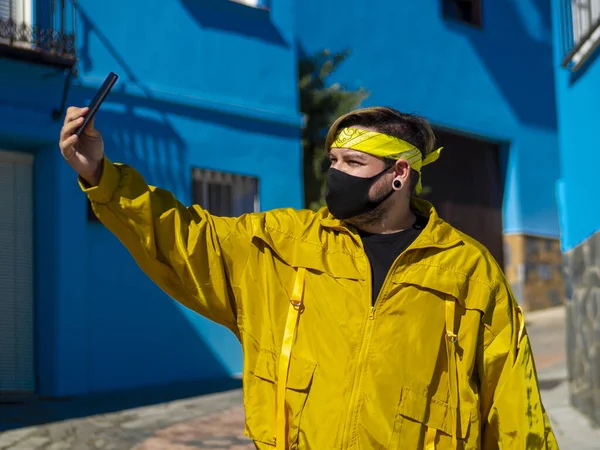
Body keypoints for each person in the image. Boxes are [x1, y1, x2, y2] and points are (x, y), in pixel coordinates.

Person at [59, 105, 558, 449]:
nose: (336, 173)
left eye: (354, 162)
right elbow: (184, 239)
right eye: (333, 160)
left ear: (400, 174)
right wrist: (102, 176)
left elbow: (513, 405)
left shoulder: (467, 269)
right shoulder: (285, 243)